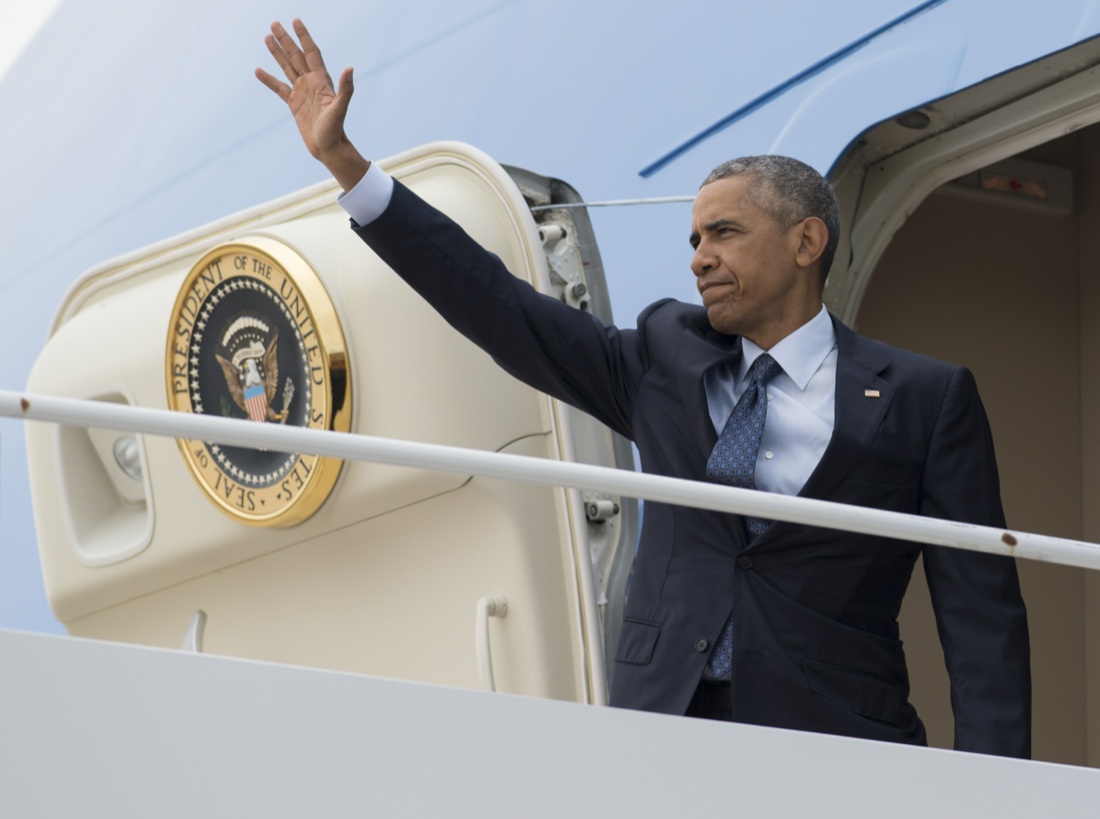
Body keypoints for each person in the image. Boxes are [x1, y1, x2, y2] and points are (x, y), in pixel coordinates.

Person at [257, 18, 1031, 757]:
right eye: (693, 238)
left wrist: (1000, 792)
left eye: (724, 233)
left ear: (806, 241)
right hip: (661, 732)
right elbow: (498, 306)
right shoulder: (665, 359)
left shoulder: (926, 398)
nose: (699, 257)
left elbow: (981, 618)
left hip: (839, 742)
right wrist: (352, 171)